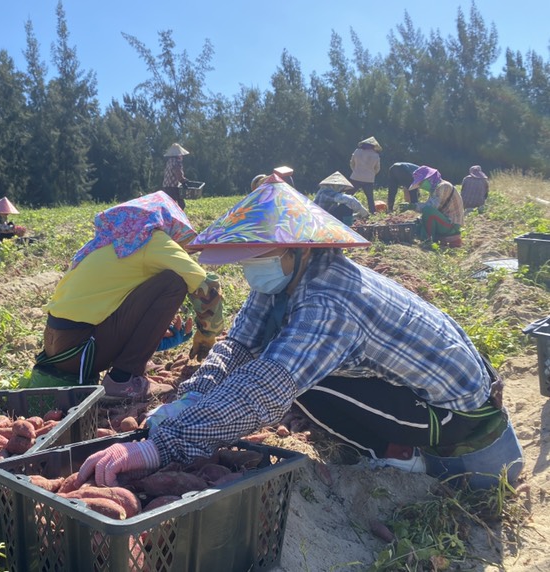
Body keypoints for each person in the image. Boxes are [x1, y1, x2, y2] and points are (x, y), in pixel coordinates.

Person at [78, 174, 522, 491]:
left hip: (464, 428)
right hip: (425, 400)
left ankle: (403, 457)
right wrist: (188, 401)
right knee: (280, 364)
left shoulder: (330, 300)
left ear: (297, 250)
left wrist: (162, 449)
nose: (252, 270)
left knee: (294, 382)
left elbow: (266, 388)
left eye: (259, 257)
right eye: (248, 260)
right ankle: (395, 446)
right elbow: (238, 347)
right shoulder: (286, 281)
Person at [26, 191, 224, 401]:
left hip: (59, 347)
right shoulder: (151, 241)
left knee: (158, 280)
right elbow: (206, 285)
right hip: (81, 350)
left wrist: (155, 340)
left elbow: (111, 304)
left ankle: (133, 366)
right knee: (174, 281)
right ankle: (123, 379)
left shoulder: (110, 243)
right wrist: (207, 333)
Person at [408, 166, 464, 242]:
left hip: (452, 225)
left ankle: (427, 240)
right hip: (445, 221)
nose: (421, 187)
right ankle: (421, 237)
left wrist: (413, 206)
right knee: (418, 222)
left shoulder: (443, 186)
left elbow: (431, 207)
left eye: (421, 183)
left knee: (428, 210)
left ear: (429, 179)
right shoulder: (435, 189)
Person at [349, 136, 382, 214]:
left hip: (355, 177)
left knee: (348, 195)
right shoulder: (375, 155)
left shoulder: (357, 151)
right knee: (370, 197)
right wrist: (371, 174)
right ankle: (372, 212)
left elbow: (352, 163)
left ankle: (343, 209)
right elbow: (377, 168)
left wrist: (356, 171)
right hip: (369, 179)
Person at [161, 143, 191, 210]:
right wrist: (183, 181)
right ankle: (178, 218)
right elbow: (178, 174)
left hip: (166, 186)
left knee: (169, 204)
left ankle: (170, 218)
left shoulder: (169, 161)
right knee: (181, 204)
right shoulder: (176, 162)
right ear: (179, 155)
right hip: (173, 187)